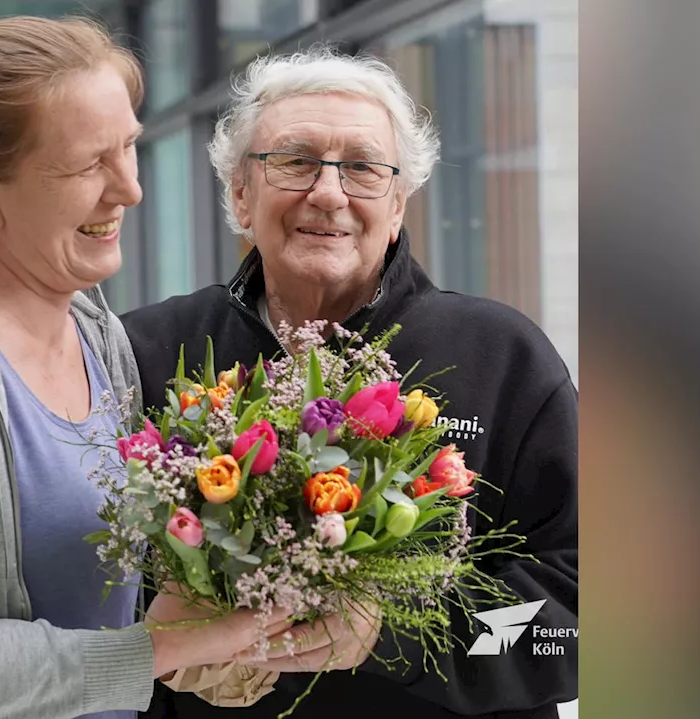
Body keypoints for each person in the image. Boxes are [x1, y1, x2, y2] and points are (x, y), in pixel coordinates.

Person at [0, 16, 292, 719]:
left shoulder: (96, 332)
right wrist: (153, 652)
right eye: (90, 164)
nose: (130, 189)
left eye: (129, 149)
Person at [123, 46, 578, 718]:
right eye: (295, 160)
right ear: (240, 193)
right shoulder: (149, 350)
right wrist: (158, 641)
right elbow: (80, 585)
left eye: (363, 168)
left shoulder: (504, 359)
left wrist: (393, 631)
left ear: (397, 205)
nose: (329, 192)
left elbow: (578, 619)